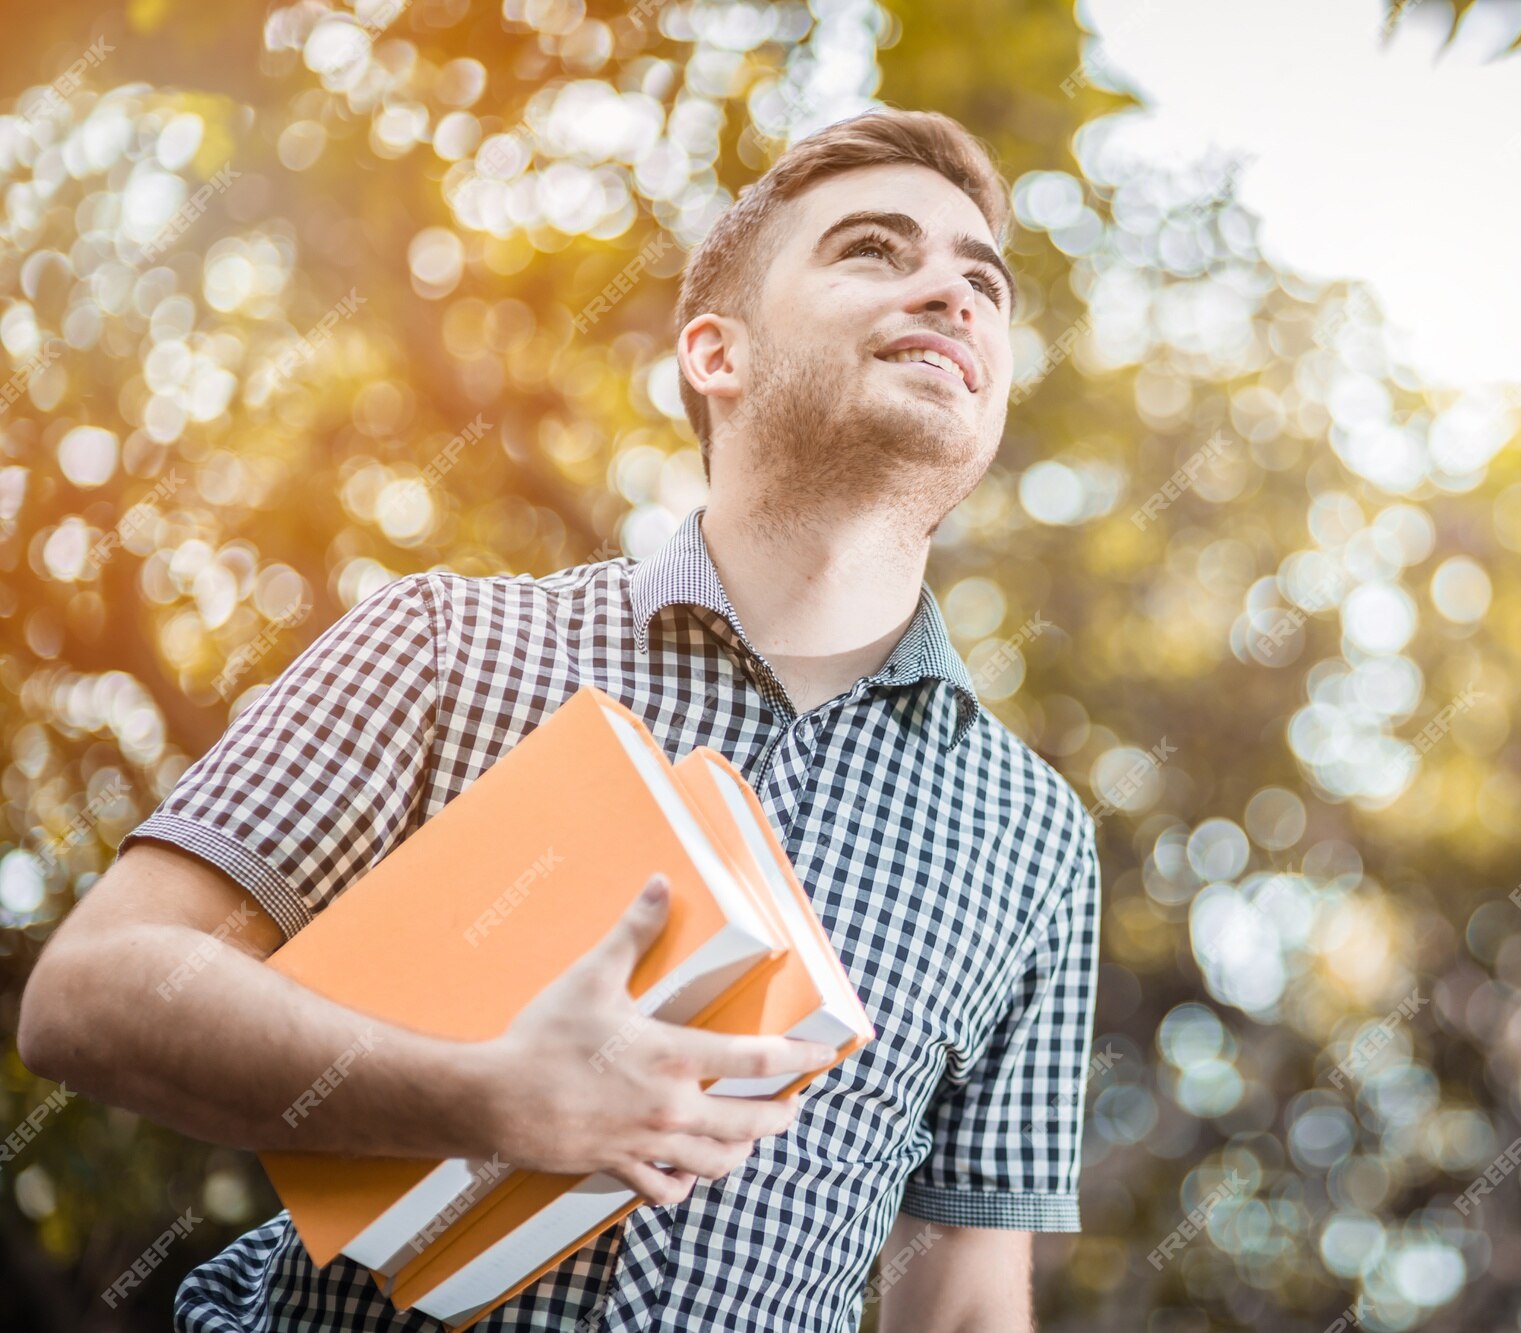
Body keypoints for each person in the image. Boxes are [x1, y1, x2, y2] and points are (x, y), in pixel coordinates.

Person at [19, 106, 1100, 1333]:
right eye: (872, 250)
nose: (953, 295)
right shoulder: (446, 644)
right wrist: (484, 1097)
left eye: (983, 284)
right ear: (715, 354)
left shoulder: (1036, 839)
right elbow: (96, 993)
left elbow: (959, 1302)